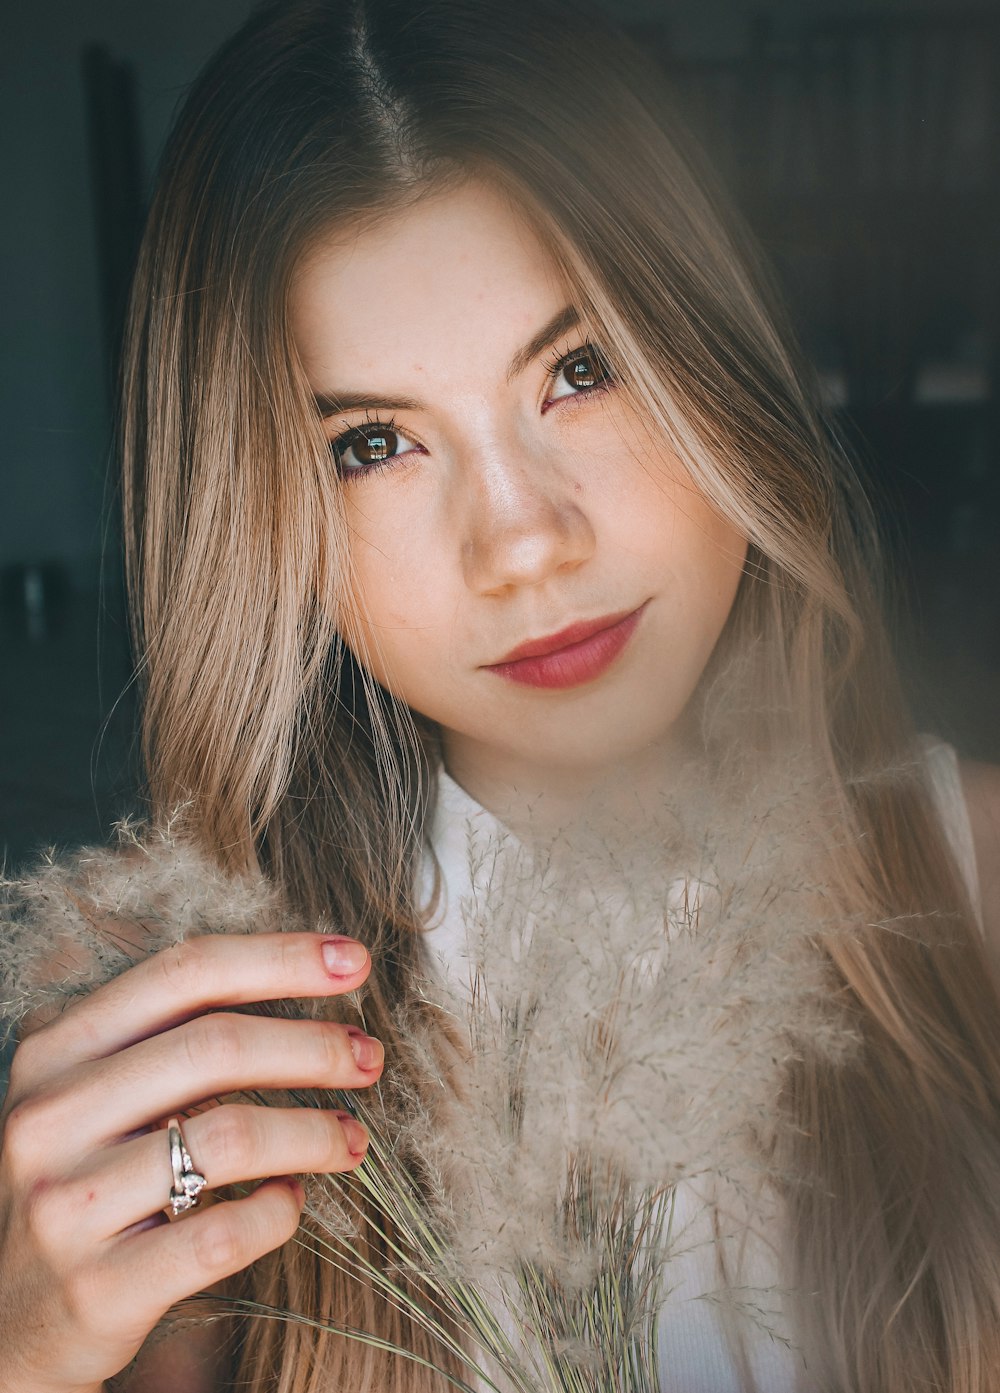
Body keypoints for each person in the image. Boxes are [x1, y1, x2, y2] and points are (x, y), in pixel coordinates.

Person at [2, 0, 999, 1389]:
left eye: (579, 371)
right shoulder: (197, 1057)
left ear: (718, 360)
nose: (525, 539)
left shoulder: (975, 884)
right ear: (264, 527)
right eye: (372, 445)